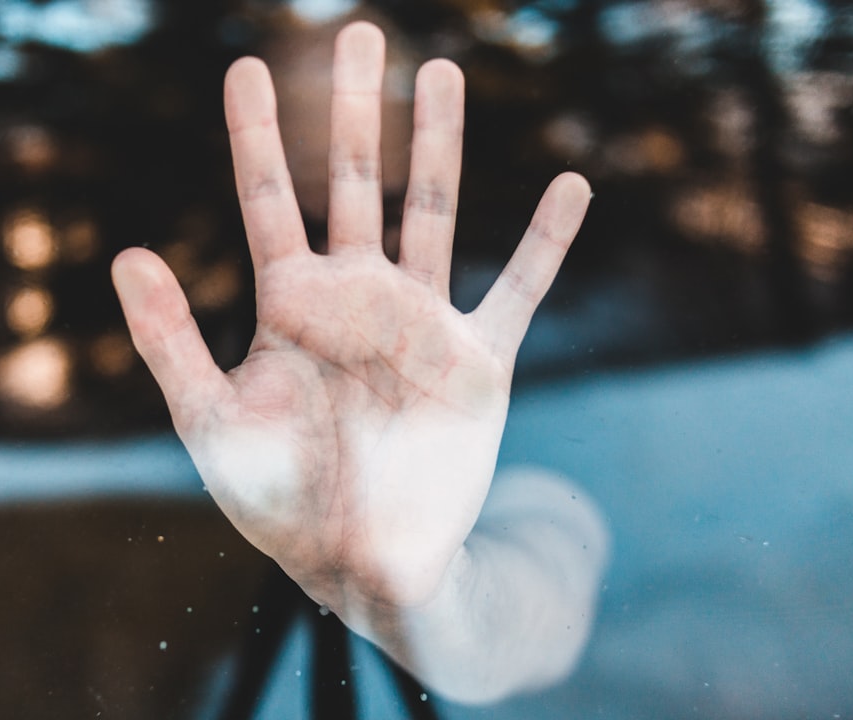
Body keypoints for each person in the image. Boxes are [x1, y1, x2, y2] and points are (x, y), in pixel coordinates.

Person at [112, 21, 608, 705]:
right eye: (310, 212)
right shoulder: (234, 381)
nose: (342, 275)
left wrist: (428, 599)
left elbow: (561, 576)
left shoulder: (487, 371)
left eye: (391, 209)